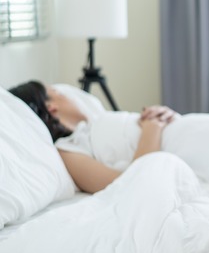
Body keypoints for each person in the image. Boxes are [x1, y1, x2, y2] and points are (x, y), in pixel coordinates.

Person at [9, 80, 179, 194]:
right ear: (51, 107)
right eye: (58, 93)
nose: (70, 97)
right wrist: (152, 128)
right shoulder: (68, 149)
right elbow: (129, 186)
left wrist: (160, 113)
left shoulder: (95, 123)